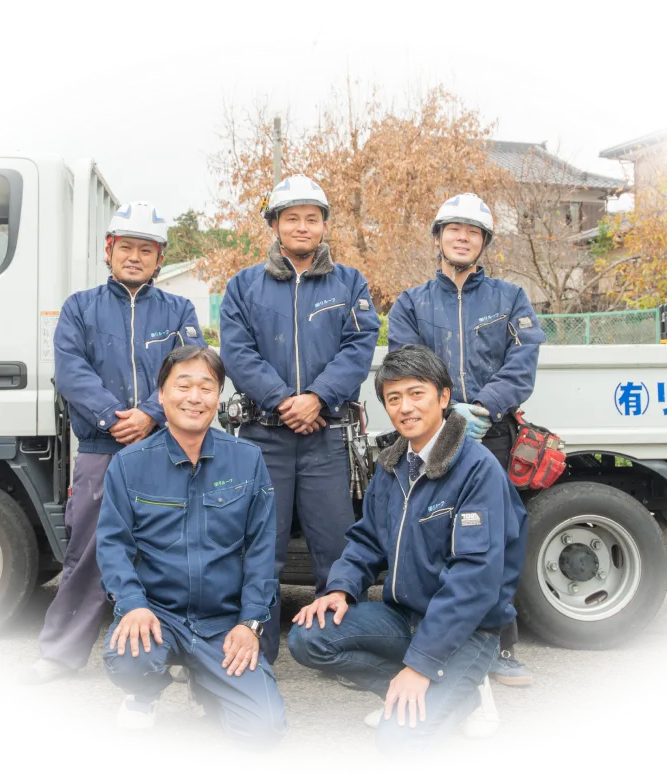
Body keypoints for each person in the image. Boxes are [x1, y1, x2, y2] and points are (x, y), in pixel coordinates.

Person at [286, 345, 528, 768]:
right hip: (404, 617)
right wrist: (340, 590)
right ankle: (426, 692)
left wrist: (421, 666)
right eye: (393, 398)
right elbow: (366, 539)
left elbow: (472, 582)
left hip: (468, 631)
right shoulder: (393, 465)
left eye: (417, 394)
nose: (405, 407)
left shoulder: (477, 469)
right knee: (309, 635)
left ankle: (463, 692)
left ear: (444, 396)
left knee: (399, 745)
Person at [16, 202, 206, 686]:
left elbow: (190, 369)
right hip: (102, 447)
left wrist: (151, 415)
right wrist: (112, 416)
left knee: (172, 549)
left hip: (165, 447)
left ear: (160, 257)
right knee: (89, 550)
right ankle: (61, 652)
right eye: (127, 247)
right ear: (109, 250)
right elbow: (71, 370)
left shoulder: (178, 311)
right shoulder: (80, 307)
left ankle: (178, 650)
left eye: (146, 249)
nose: (135, 257)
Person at [219, 174, 381, 666]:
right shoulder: (244, 285)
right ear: (274, 224)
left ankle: (339, 651)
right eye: (292, 218)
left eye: (312, 218)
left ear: (324, 225)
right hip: (262, 437)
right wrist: (282, 401)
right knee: (260, 548)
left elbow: (359, 347)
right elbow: (237, 352)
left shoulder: (349, 282)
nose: (303, 227)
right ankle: (258, 654)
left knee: (336, 547)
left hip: (327, 435)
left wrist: (317, 398)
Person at [386, 192, 546, 689]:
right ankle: (425, 643)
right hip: (429, 436)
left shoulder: (510, 299)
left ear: (484, 242)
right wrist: (445, 411)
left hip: (489, 433)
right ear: (438, 238)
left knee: (494, 540)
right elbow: (405, 364)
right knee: (430, 537)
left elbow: (523, 362)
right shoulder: (411, 303)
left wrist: (481, 407)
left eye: (473, 232)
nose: (462, 237)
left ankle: (499, 646)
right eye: (453, 229)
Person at [96, 346, 288, 751]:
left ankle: (204, 683)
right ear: (161, 394)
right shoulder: (129, 464)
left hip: (222, 622)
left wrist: (250, 623)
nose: (194, 398)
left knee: (264, 730)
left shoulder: (248, 460)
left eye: (207, 387)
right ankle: (143, 692)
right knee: (130, 660)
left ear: (218, 397)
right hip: (157, 614)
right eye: (183, 386)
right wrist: (132, 604)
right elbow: (112, 545)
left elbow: (261, 551)